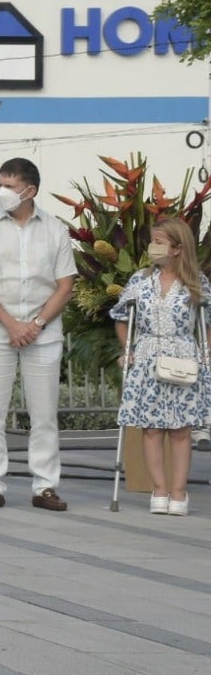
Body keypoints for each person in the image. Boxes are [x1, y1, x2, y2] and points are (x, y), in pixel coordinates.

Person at [0, 157, 76, 511]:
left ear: (30, 190)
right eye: (0, 184)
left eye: (9, 186)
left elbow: (65, 284)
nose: (2, 192)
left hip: (43, 333)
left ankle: (45, 486)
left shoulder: (55, 229)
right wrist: (12, 324)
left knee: (44, 413)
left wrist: (36, 324)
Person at [110, 217, 210, 516]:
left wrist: (208, 352)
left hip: (182, 354)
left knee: (181, 428)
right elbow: (121, 316)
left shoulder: (196, 281)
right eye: (153, 241)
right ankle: (159, 489)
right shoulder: (140, 279)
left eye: (159, 242)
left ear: (178, 249)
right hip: (148, 353)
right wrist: (127, 351)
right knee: (151, 427)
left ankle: (179, 491)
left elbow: (208, 321)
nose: (153, 247)